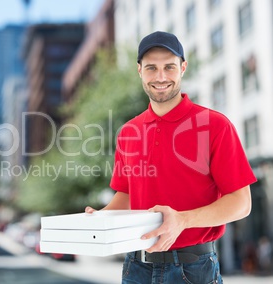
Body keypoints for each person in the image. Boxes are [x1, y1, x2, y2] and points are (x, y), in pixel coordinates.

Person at [85, 31, 257, 283]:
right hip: (136, 267)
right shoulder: (128, 132)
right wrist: (100, 218)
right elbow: (127, 195)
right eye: (152, 68)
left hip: (193, 269)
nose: (161, 77)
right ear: (139, 71)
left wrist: (182, 220)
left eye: (169, 67)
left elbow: (241, 203)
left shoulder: (214, 125)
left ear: (183, 68)